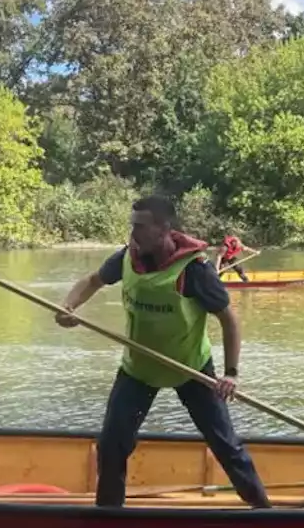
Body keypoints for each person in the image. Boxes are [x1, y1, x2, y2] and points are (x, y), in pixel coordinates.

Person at [55, 195, 272, 509]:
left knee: (226, 446)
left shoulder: (195, 270)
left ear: (164, 229)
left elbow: (229, 319)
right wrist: (68, 307)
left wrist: (231, 374)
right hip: (138, 369)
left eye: (141, 226)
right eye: (132, 225)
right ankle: (108, 517)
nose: (133, 233)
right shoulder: (127, 258)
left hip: (191, 369)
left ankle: (263, 512)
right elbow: (91, 281)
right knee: (111, 446)